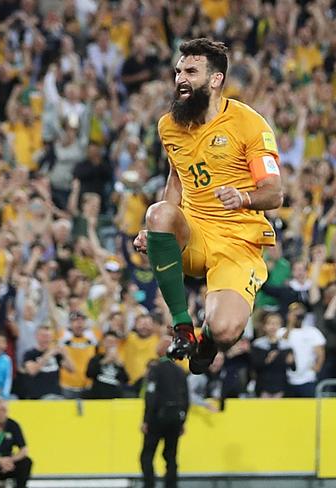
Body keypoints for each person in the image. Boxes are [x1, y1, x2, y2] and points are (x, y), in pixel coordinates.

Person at [133, 38, 283, 374]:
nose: (180, 79)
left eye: (190, 71)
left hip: (237, 241)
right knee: (157, 213)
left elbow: (274, 192)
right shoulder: (169, 125)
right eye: (177, 72)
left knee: (228, 331)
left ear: (215, 80)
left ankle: (208, 341)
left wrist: (243, 197)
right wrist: (158, 231)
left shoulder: (249, 124)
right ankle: (182, 326)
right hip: (196, 232)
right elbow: (176, 178)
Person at [140, 336, 190, 488]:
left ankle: (149, 484)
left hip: (157, 418)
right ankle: (171, 485)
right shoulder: (180, 372)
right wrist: (182, 421)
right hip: (175, 418)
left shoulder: (155, 370)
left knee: (147, 456)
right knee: (171, 456)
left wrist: (146, 420)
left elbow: (151, 396)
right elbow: (186, 398)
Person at [85, 331, 129, 399]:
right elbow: (89, 374)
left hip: (115, 398)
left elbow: (126, 380)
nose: (111, 344)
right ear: (104, 343)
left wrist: (120, 365)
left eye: (113, 342)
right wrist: (105, 361)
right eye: (108, 341)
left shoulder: (119, 360)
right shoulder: (96, 358)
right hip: (98, 396)